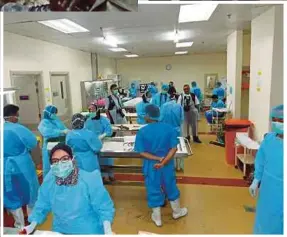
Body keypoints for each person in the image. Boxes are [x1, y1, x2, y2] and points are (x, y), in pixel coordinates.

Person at [22, 143, 115, 235]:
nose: (60, 164)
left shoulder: (89, 180)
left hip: (88, 230)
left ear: (72, 159)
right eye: (55, 161)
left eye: (65, 159)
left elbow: (104, 208)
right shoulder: (50, 180)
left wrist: (108, 231)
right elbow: (42, 205)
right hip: (60, 230)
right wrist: (31, 226)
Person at [134, 104, 188, 227]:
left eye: (144, 114)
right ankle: (177, 212)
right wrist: (163, 162)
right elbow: (173, 148)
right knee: (170, 186)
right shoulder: (170, 129)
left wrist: (157, 159)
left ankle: (157, 218)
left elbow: (142, 152)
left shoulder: (142, 132)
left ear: (148, 116)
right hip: (167, 164)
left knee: (153, 188)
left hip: (151, 165)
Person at [3, 104, 40, 229]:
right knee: (30, 192)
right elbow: (32, 143)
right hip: (22, 166)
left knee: (11, 194)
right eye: (17, 115)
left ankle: (19, 225)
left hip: (4, 168)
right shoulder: (18, 129)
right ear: (13, 116)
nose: (18, 118)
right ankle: (31, 223)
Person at [249, 105, 283, 234]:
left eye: (281, 121)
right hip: (267, 191)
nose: (277, 123)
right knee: (264, 220)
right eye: (274, 120)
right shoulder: (269, 139)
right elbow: (261, 160)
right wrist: (256, 179)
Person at [85, 103, 115, 182]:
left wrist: (103, 135)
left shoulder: (104, 120)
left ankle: (110, 175)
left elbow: (109, 130)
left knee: (107, 160)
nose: (91, 111)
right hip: (93, 144)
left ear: (97, 110)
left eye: (92, 109)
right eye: (89, 110)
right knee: (98, 161)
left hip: (105, 142)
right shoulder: (88, 121)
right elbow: (85, 132)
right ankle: (103, 176)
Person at [38, 105, 69, 178]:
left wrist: (66, 131)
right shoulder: (43, 123)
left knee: (61, 166)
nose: (54, 115)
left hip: (60, 146)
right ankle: (49, 184)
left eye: (55, 113)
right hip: (49, 147)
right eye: (53, 113)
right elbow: (46, 132)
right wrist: (61, 132)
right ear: (48, 113)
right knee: (49, 166)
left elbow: (64, 128)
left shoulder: (56, 120)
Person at [160, 96, 185, 171]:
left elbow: (160, 118)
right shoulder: (179, 106)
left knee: (167, 148)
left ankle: (168, 164)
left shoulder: (163, 106)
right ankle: (178, 166)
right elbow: (182, 119)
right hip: (176, 130)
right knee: (178, 148)